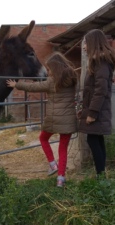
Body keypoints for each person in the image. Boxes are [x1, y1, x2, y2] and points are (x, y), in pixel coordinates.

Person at [6, 52, 78, 187]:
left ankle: (52, 164)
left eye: (49, 69)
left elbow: (34, 87)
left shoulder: (52, 82)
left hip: (53, 119)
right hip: (68, 119)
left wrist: (17, 85)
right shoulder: (73, 78)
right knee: (63, 148)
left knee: (43, 138)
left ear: (55, 68)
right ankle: (61, 179)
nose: (48, 71)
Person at [77, 29, 115, 179]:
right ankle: (101, 175)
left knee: (93, 139)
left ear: (93, 43)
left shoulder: (100, 62)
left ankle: (101, 176)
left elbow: (101, 90)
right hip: (96, 108)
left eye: (86, 43)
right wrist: (85, 109)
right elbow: (92, 90)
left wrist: (92, 113)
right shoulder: (99, 62)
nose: (84, 47)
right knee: (96, 138)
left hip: (98, 110)